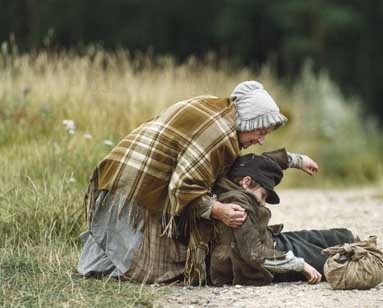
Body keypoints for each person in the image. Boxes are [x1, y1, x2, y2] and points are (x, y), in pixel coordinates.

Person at [77, 80, 319, 284]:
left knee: (146, 246)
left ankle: (98, 266)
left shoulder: (222, 113)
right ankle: (106, 269)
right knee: (154, 262)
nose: (261, 140)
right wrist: (218, 210)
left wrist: (294, 160)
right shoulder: (219, 135)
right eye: (261, 132)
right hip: (132, 185)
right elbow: (183, 188)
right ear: (250, 122)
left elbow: (246, 164)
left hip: (128, 175)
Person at [209, 151, 355, 286]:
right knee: (341, 262)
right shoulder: (237, 205)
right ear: (246, 182)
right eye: (263, 195)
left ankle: (354, 243)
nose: (263, 202)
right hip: (267, 260)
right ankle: (364, 257)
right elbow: (253, 253)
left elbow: (263, 161)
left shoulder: (232, 178)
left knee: (341, 236)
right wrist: (299, 265)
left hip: (271, 240)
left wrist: (298, 161)